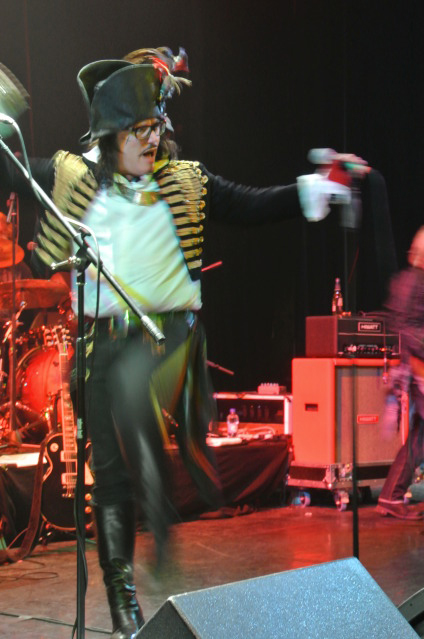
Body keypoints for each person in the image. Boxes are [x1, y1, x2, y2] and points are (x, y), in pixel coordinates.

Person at [0, 48, 366, 638]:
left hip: (168, 345)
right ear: (113, 135)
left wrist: (317, 188)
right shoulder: (73, 178)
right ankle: (121, 597)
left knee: (150, 453)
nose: (153, 139)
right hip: (104, 349)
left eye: (157, 126)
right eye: (140, 130)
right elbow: (13, 172)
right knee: (112, 481)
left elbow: (249, 204)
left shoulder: (185, 182)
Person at [377, 225, 424, 521]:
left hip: (416, 365)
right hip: (420, 368)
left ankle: (391, 495)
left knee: (423, 434)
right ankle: (391, 495)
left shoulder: (408, 280)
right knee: (423, 435)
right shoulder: (417, 282)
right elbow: (408, 328)